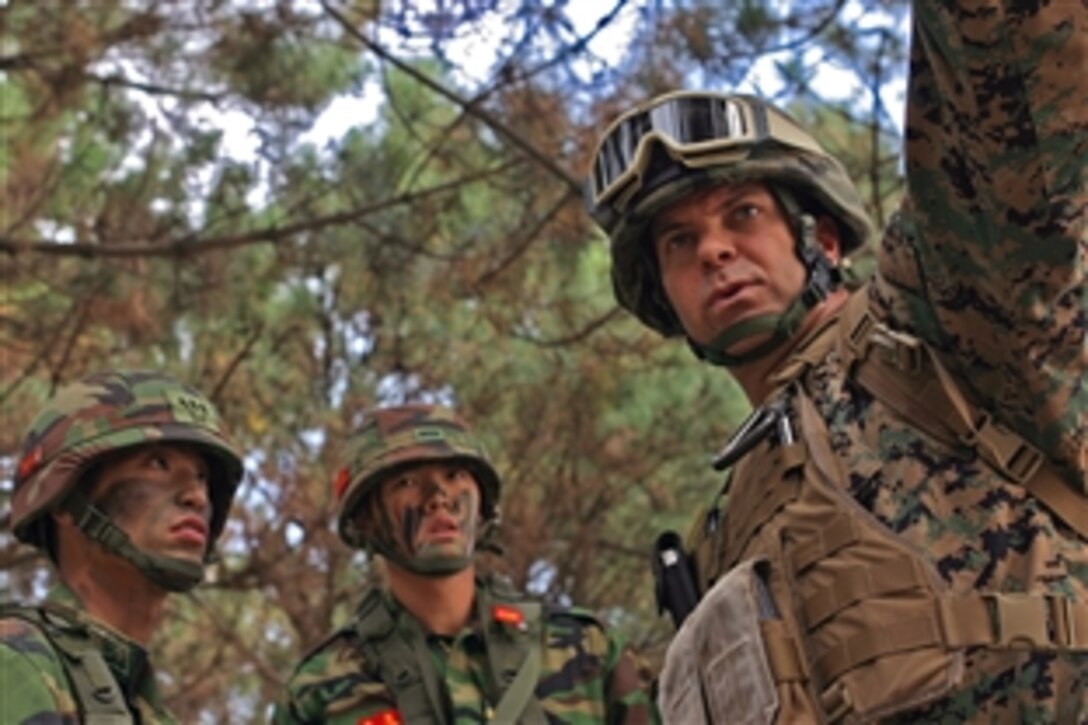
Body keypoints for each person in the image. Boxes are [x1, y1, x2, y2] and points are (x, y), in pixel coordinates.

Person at [584, 0, 1086, 721]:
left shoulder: (937, 317)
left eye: (744, 214)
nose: (713, 250)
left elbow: (1005, 86)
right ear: (665, 299)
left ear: (819, 240)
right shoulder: (720, 538)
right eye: (678, 242)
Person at [274, 403, 658, 724]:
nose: (438, 497)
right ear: (366, 521)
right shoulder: (321, 688)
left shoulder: (587, 650)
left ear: (483, 504)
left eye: (454, 475)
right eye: (406, 482)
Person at [1, 370, 245, 723]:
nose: (196, 496)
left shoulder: (145, 707)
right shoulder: (16, 666)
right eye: (159, 464)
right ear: (65, 502)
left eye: (202, 477)